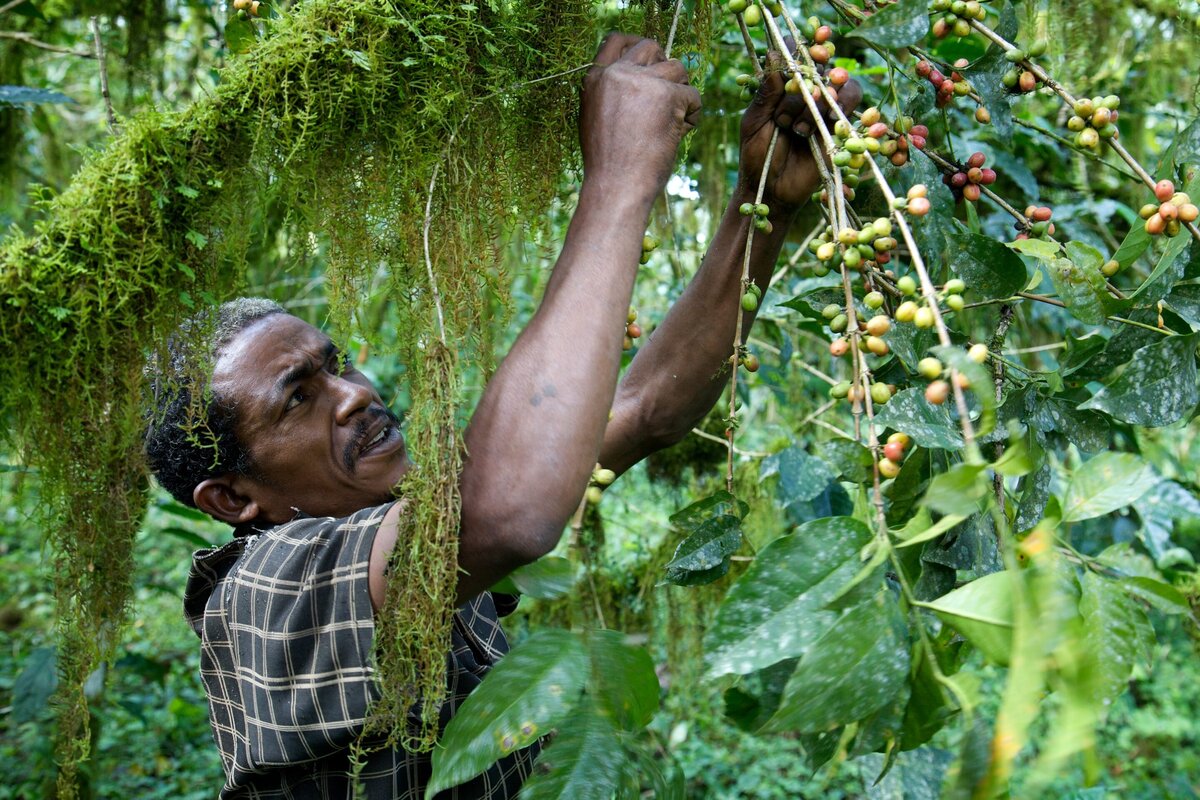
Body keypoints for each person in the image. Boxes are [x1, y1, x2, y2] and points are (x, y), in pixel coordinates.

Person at [144, 33, 858, 800]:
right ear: (232, 500)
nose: (355, 392)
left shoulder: (408, 526)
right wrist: (618, 178)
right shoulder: (257, 593)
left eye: (337, 362)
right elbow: (506, 511)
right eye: (298, 396)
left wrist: (763, 207)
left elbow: (644, 409)